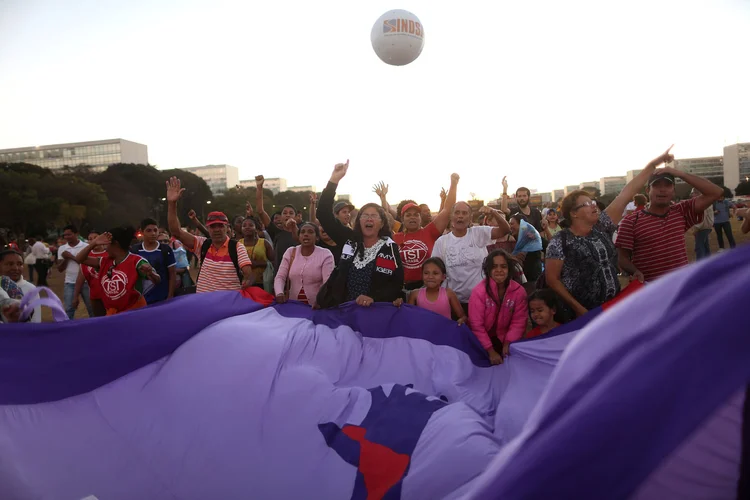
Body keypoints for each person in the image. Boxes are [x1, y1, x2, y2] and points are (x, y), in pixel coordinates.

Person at [546, 148, 680, 317]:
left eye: (592, 201)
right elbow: (552, 280)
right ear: (573, 213)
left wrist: (653, 164)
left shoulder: (601, 226)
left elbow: (627, 193)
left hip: (610, 309)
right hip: (578, 315)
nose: (594, 205)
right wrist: (579, 309)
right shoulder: (561, 240)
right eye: (586, 204)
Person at [617, 152, 723, 283]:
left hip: (681, 285)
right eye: (657, 185)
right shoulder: (631, 221)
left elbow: (716, 192)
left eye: (667, 185)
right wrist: (635, 271)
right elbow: (622, 258)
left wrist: (680, 174)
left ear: (673, 190)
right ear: (647, 190)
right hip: (650, 288)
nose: (663, 190)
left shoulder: (681, 211)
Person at [316, 160, 404, 307]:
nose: (369, 218)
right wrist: (334, 180)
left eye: (374, 215)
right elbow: (323, 214)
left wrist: (373, 298)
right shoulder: (349, 240)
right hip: (343, 312)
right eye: (365, 215)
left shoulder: (389, 248)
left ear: (382, 223)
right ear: (359, 220)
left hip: (372, 314)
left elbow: (395, 284)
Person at [166, 177, 254, 293]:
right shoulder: (202, 244)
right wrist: (172, 204)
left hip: (227, 306)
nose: (217, 229)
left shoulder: (237, 247)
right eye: (213, 226)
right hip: (203, 306)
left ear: (227, 227)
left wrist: (248, 281)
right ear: (208, 228)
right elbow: (176, 232)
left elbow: (249, 274)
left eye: (220, 225)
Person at [432, 202, 511, 313]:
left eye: (464, 213)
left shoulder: (478, 233)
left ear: (470, 218)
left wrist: (493, 212)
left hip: (482, 299)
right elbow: (435, 271)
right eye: (457, 213)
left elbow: (505, 230)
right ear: (451, 216)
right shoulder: (441, 242)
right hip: (455, 302)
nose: (460, 216)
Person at [393, 173, 458, 291]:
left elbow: (447, 210)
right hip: (404, 289)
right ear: (402, 219)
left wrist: (453, 184)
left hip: (428, 287)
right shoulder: (395, 238)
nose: (412, 217)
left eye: (416, 215)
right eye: (408, 215)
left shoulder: (430, 232)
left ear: (420, 218)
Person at [74, 227, 160, 315]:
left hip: (135, 313)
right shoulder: (104, 261)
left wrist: (151, 273)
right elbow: (79, 258)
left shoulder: (136, 261)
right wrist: (94, 243)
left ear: (115, 244)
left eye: (106, 244)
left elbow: (157, 280)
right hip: (113, 314)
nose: (105, 248)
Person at [468, 249, 528, 365]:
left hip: (508, 339)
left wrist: (508, 342)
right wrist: (490, 351)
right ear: (488, 270)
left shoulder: (519, 292)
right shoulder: (478, 292)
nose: (499, 270)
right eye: (494, 266)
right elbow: (477, 326)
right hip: (482, 342)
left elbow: (519, 321)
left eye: (503, 266)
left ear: (509, 269)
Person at [274, 222, 334, 307]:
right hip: (292, 306)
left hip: (316, 307)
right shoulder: (290, 252)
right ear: (299, 237)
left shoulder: (325, 254)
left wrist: (321, 301)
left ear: (317, 237)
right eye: (302, 232)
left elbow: (327, 282)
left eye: (310, 232)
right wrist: (279, 293)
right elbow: (280, 277)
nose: (306, 234)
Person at [255, 176, 299, 273]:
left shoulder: (302, 234)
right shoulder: (276, 232)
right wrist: (259, 187)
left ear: (296, 217)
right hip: (280, 277)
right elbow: (260, 211)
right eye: (285, 213)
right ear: (281, 217)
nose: (288, 215)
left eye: (291, 213)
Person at [407, 257, 465, 324]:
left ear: (443, 277)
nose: (430, 277)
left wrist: (461, 321)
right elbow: (408, 317)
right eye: (426, 273)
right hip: (422, 333)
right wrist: (398, 305)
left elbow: (463, 316)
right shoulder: (415, 294)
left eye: (435, 273)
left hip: (445, 333)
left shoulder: (449, 293)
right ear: (422, 275)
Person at [132, 218, 176, 305]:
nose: (153, 233)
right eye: (149, 231)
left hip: (162, 298)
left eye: (155, 230)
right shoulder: (135, 250)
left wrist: (170, 296)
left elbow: (172, 274)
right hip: (142, 300)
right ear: (142, 232)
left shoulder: (165, 249)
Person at [57, 224, 93, 319]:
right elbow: (60, 269)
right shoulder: (62, 249)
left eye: (69, 234)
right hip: (70, 282)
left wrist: (70, 256)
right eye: (65, 235)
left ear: (76, 234)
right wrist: (66, 259)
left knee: (91, 308)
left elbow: (89, 264)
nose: (67, 237)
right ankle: (67, 330)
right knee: (69, 309)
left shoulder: (86, 246)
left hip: (86, 282)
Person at [74, 230, 108, 317]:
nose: (93, 240)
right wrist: (75, 296)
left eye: (96, 238)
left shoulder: (109, 254)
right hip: (95, 297)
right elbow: (80, 278)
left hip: (110, 296)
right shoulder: (85, 257)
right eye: (90, 239)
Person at [0, 249, 40, 322]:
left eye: (20, 264)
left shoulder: (31, 289)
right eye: (10, 264)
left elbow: (36, 321)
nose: (15, 268)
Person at [508, 214, 543, 291]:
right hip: (519, 281)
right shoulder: (513, 239)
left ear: (521, 224)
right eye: (509, 224)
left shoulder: (532, 237)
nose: (510, 227)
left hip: (532, 281)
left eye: (512, 224)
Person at [241, 216, 275, 288]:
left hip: (263, 283)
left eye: (251, 225)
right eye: (244, 225)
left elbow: (274, 263)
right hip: (243, 283)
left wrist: (258, 263)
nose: (247, 227)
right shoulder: (237, 244)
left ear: (256, 228)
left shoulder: (265, 243)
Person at [690, 188, 714, 261]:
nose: (691, 195)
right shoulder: (706, 202)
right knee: (705, 246)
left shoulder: (703, 203)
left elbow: (701, 218)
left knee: (699, 247)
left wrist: (696, 229)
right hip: (706, 227)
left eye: (693, 193)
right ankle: (709, 262)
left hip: (702, 228)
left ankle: (700, 264)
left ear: (697, 193)